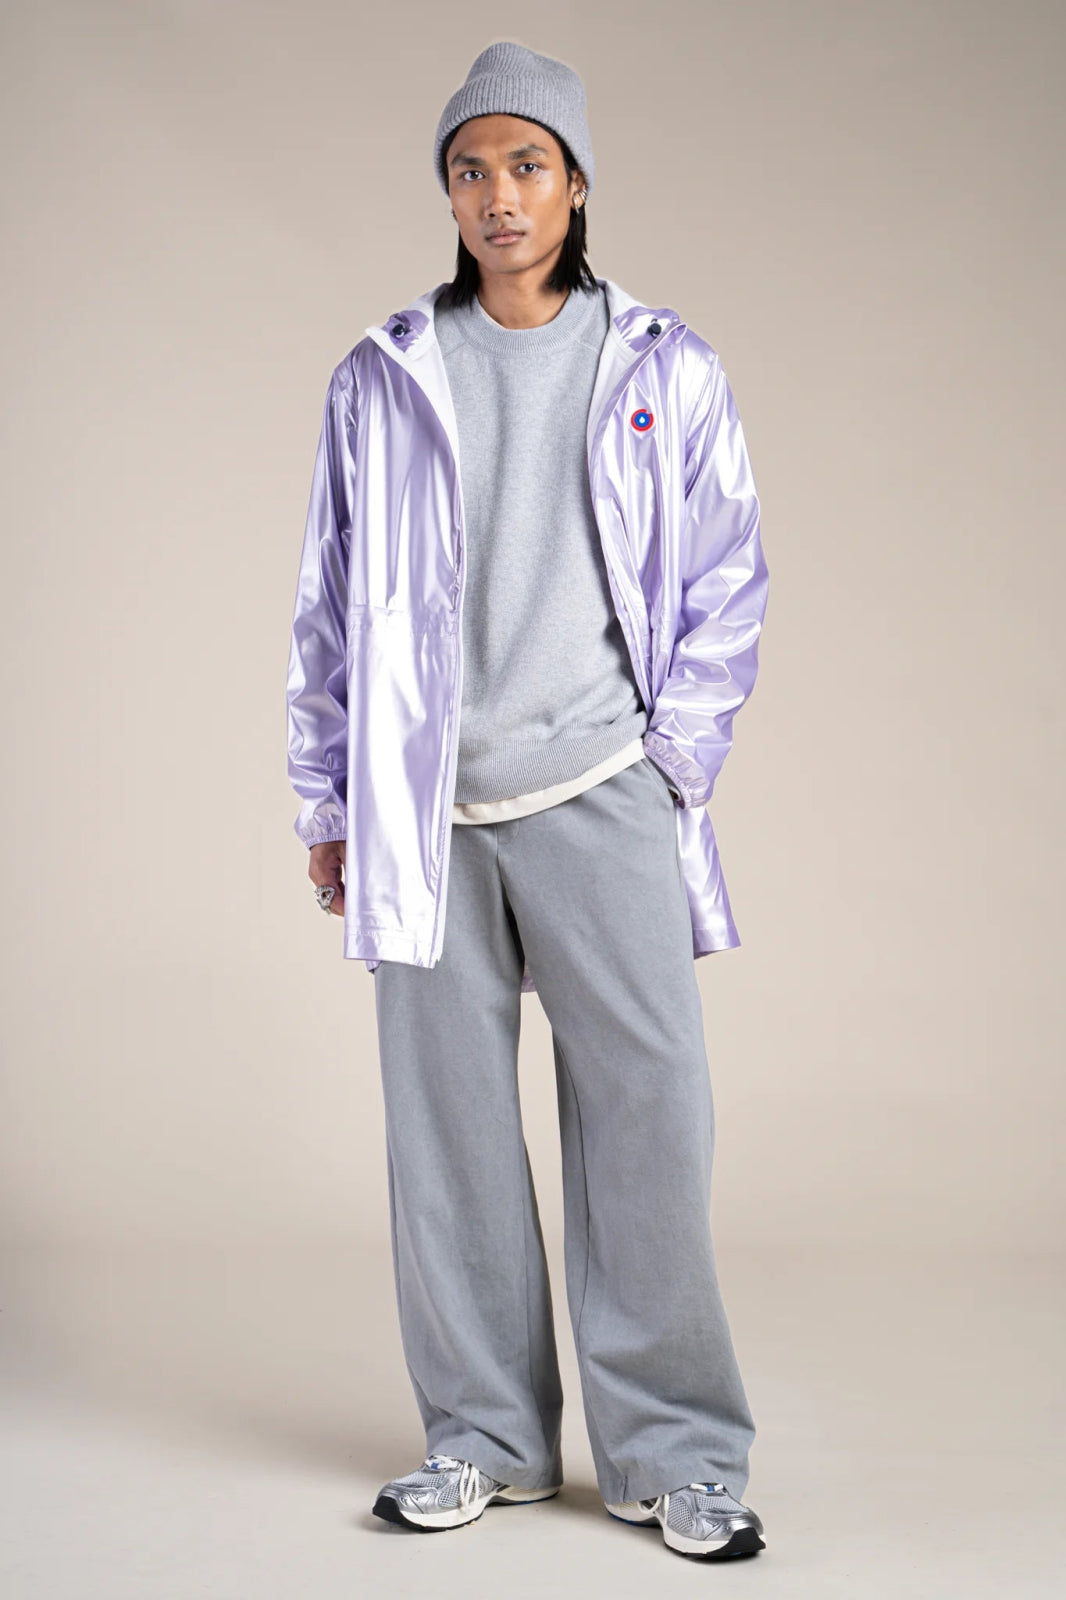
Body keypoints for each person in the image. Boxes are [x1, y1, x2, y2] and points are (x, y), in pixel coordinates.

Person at [286, 41, 770, 1563]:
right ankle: (483, 1440)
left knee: (647, 1122)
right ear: (448, 196)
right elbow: (329, 607)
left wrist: (670, 759)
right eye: (470, 171)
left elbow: (728, 578)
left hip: (600, 789)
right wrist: (331, 797)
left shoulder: (663, 366)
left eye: (526, 166)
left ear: (575, 184)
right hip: (426, 816)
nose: (498, 196)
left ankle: (675, 1454)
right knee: (446, 1141)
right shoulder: (382, 375)